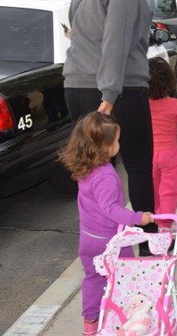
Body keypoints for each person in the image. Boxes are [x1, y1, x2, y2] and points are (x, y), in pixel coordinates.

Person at [63, 0, 156, 245]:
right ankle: (148, 249)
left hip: (76, 86)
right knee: (139, 165)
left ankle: (102, 244)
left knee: (95, 172)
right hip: (119, 90)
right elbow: (115, 43)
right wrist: (109, 95)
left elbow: (77, 37)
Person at [59, 112, 154, 335]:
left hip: (88, 239)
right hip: (111, 242)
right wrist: (138, 218)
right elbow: (111, 210)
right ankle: (130, 321)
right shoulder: (106, 175)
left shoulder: (85, 168)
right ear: (104, 146)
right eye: (116, 140)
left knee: (92, 279)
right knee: (127, 276)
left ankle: (91, 324)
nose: (118, 144)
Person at [147, 58, 177, 233]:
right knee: (169, 191)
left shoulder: (144, 104)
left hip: (150, 153)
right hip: (170, 154)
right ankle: (165, 227)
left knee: (154, 189)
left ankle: (155, 219)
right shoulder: (175, 104)